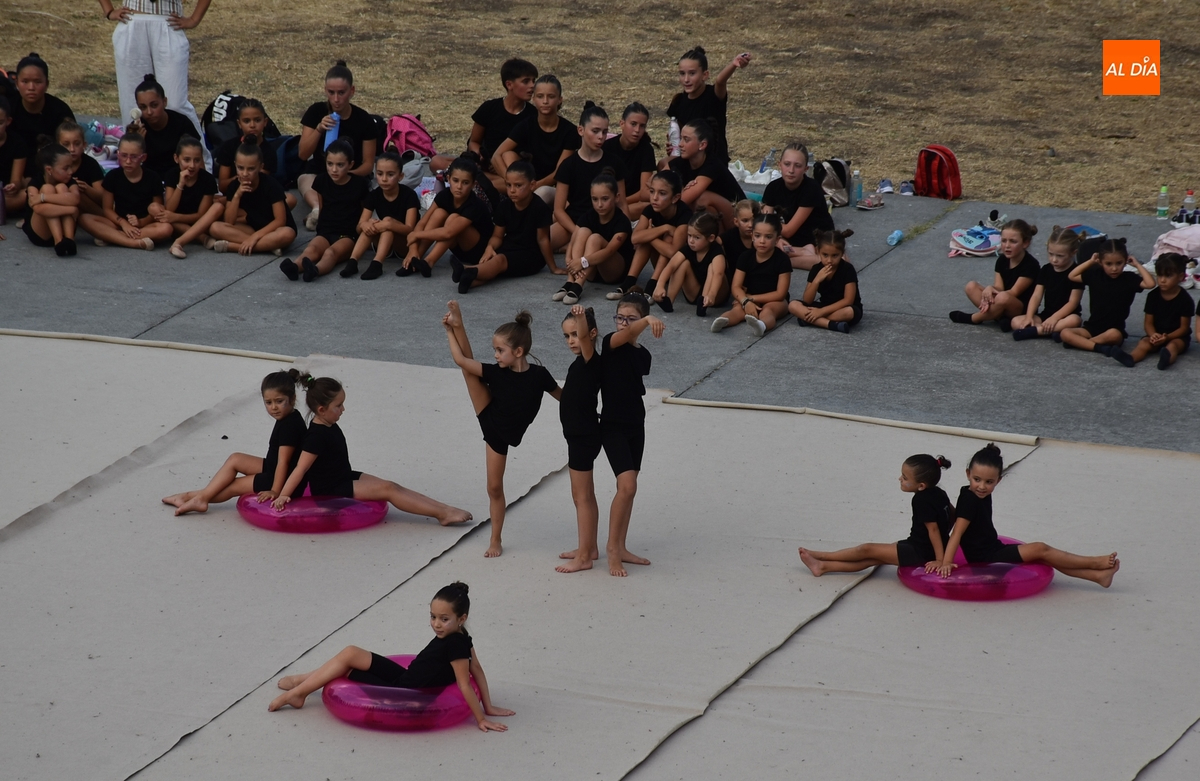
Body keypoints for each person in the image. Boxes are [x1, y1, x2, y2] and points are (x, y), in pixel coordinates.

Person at [269, 582, 514, 733]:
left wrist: (481, 717)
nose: (436, 624)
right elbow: (479, 669)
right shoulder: (462, 636)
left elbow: (465, 680)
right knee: (350, 652)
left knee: (345, 667)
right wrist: (489, 705)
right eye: (433, 617)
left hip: (403, 689)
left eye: (444, 619)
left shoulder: (456, 646)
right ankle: (302, 681)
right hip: (407, 676)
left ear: (462, 618)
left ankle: (298, 692)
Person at [272, 376, 473, 525]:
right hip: (331, 488)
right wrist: (283, 495)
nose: (343, 410)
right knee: (389, 490)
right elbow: (300, 469)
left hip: (342, 475)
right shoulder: (315, 437)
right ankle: (442, 514)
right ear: (322, 410)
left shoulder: (327, 423)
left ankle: (444, 508)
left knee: (392, 485)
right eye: (339, 406)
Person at [443, 303, 560, 557]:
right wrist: (449, 332)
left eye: (500, 350)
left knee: (469, 369)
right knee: (494, 488)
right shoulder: (497, 372)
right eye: (495, 350)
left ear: (518, 351)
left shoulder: (540, 376)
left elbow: (565, 397)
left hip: (510, 429)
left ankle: (458, 323)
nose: (496, 355)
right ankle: (495, 539)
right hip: (491, 420)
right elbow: (461, 360)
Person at [935, 444, 1120, 587]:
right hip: (986, 557)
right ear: (968, 474)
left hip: (992, 547)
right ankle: (1094, 562)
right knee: (1041, 549)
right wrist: (947, 562)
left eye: (989, 482)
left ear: (999, 480)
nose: (982, 486)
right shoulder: (970, 500)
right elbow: (957, 533)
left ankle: (1097, 576)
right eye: (977, 480)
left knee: (1042, 557)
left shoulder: (978, 493)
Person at [162, 370, 307, 515]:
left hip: (281, 479)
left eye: (279, 401)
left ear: (292, 399)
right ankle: (190, 497)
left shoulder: (290, 426)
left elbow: (284, 462)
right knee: (235, 458)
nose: (273, 407)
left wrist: (275, 490)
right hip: (273, 467)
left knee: (233, 486)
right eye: (268, 402)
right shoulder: (289, 416)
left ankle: (195, 498)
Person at [799, 454, 954, 575]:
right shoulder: (939, 493)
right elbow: (952, 513)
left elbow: (932, 530)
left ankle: (823, 556)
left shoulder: (921, 500)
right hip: (920, 546)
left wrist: (939, 560)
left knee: (866, 550)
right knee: (872, 558)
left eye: (905, 478)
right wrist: (946, 537)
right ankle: (822, 566)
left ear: (921, 486)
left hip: (921, 552)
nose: (900, 479)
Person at [99, 1, 210, 169]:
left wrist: (194, 19)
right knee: (133, 108)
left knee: (175, 103)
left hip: (168, 22)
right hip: (131, 20)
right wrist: (109, 11)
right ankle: (134, 169)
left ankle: (203, 170)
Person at [599, 294, 663, 576]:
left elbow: (634, 346)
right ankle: (612, 549)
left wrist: (643, 323)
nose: (623, 323)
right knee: (626, 486)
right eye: (619, 317)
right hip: (611, 425)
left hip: (636, 424)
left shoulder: (642, 355)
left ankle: (621, 545)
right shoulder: (609, 343)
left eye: (630, 318)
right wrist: (647, 320)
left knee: (630, 488)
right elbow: (623, 337)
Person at [430, 58, 538, 188]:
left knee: (510, 161)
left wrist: (499, 165)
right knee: (436, 161)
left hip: (509, 167)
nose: (532, 86)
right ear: (509, 85)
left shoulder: (532, 115)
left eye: (533, 81)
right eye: (526, 81)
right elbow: (474, 141)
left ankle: (474, 183)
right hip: (484, 166)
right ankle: (483, 182)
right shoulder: (489, 108)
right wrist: (480, 156)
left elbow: (531, 153)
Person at [177, 139, 296, 256]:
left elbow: (280, 220)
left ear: (260, 167)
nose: (244, 173)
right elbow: (229, 221)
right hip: (252, 227)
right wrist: (237, 195)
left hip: (273, 229)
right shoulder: (235, 185)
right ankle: (268, 246)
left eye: (251, 169)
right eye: (240, 168)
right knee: (215, 227)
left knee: (288, 234)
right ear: (235, 165)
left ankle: (235, 246)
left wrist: (255, 237)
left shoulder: (270, 184)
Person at [297, 61, 377, 231]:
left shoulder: (364, 120)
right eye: (331, 92)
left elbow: (368, 164)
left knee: (355, 187)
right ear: (325, 90)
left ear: (352, 91)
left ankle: (328, 212)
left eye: (341, 93)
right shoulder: (316, 112)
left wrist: (345, 173)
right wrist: (319, 129)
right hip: (320, 171)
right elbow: (303, 154)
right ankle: (318, 209)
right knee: (306, 179)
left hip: (350, 173)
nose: (336, 99)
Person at [455, 160, 557, 293]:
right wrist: (490, 247)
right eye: (508, 185)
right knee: (494, 259)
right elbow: (497, 236)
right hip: (509, 248)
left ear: (532, 185)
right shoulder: (504, 206)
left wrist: (553, 267)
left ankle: (466, 269)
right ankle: (469, 282)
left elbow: (543, 240)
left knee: (500, 261)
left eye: (518, 185)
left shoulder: (540, 208)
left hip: (531, 256)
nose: (512, 190)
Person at [556, 305, 604, 574]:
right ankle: (591, 547)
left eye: (576, 334)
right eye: (567, 336)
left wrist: (580, 317)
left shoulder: (590, 360)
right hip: (578, 435)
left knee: (581, 497)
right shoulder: (578, 364)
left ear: (590, 333)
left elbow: (586, 340)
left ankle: (585, 556)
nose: (572, 340)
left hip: (584, 436)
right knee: (586, 495)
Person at [280, 139, 370, 282]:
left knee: (331, 253)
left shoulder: (359, 184)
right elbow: (322, 207)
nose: (334, 169)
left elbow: (364, 211)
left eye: (340, 165)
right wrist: (320, 228)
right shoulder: (321, 181)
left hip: (347, 235)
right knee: (311, 249)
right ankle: (295, 267)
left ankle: (315, 270)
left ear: (350, 164)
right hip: (326, 230)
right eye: (330, 164)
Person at [550, 102, 628, 251]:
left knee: (599, 245)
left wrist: (624, 231)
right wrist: (577, 233)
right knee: (540, 243)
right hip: (575, 221)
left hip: (605, 220)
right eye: (595, 131)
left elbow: (622, 203)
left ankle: (573, 247)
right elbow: (559, 210)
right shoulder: (568, 164)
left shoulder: (614, 162)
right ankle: (570, 245)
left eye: (605, 132)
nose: (601, 137)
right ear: (581, 130)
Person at [1059, 239, 1155, 360]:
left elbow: (1150, 284)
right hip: (1092, 327)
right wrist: (1090, 261)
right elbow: (1072, 276)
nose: (1114, 268)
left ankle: (1082, 343)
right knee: (1065, 333)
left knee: (1114, 335)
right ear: (1100, 262)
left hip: (1113, 330)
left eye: (1119, 263)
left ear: (1126, 261)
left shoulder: (1129, 279)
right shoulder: (1096, 275)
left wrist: (1137, 264)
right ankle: (1099, 347)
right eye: (1108, 264)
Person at [398, 156, 493, 278]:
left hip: (476, 252)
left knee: (453, 218)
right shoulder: (444, 195)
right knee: (439, 213)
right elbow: (423, 222)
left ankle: (428, 262)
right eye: (455, 180)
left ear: (473, 184)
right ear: (448, 179)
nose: (459, 186)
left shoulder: (474, 205)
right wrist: (413, 249)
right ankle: (415, 259)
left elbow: (448, 233)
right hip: (456, 247)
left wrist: (416, 235)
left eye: (465, 183)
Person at [490, 74, 578, 202]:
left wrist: (534, 186)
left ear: (560, 99)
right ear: (533, 99)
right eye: (540, 96)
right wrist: (512, 182)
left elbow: (559, 172)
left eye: (551, 96)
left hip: (551, 186)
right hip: (527, 181)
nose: (545, 101)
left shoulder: (569, 131)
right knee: (507, 156)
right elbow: (496, 155)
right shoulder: (526, 125)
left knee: (540, 194)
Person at [79, 132, 173, 250]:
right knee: (84, 219)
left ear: (143, 157)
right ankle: (134, 243)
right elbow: (107, 209)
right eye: (124, 156)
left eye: (134, 157)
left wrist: (140, 222)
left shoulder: (153, 178)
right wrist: (123, 223)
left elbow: (156, 211)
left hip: (144, 225)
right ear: (118, 154)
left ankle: (112, 237)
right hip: (118, 223)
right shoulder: (112, 176)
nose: (128, 161)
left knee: (166, 229)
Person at [554, 175, 634, 305]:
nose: (599, 204)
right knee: (582, 231)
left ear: (617, 197)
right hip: (590, 271)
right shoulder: (588, 215)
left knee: (595, 238)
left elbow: (609, 251)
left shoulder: (622, 221)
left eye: (605, 199)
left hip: (613, 272)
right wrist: (569, 260)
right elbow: (574, 239)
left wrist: (582, 262)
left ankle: (578, 285)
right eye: (595, 199)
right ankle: (570, 282)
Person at [665, 47, 750, 166]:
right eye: (682, 73)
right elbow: (678, 134)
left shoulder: (713, 96)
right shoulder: (679, 101)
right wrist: (674, 145)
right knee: (663, 164)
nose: (686, 79)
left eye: (692, 73)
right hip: (690, 159)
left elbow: (720, 81)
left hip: (713, 160)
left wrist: (734, 64)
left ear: (705, 75)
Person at [341, 151, 420, 280]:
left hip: (405, 245)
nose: (384, 179)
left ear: (400, 176)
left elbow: (410, 229)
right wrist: (366, 224)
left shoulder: (409, 195)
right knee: (371, 223)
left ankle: (377, 264)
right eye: (379, 174)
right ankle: (353, 262)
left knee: (387, 222)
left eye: (390, 174)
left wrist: (389, 224)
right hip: (384, 244)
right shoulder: (374, 195)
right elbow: (359, 227)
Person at [710, 213, 791, 336]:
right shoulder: (745, 257)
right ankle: (723, 320)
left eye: (768, 237)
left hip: (775, 300)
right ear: (752, 235)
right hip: (749, 297)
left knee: (768, 311)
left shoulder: (782, 260)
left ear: (777, 239)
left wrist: (751, 299)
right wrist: (745, 301)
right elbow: (736, 286)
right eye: (758, 236)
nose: (762, 241)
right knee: (737, 310)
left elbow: (780, 294)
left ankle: (762, 325)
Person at [615, 170, 692, 300]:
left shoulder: (684, 214)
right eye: (652, 191)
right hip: (661, 259)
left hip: (676, 269)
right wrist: (664, 228)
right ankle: (629, 282)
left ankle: (652, 285)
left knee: (666, 238)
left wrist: (651, 234)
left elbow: (672, 252)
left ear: (675, 198)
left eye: (662, 193)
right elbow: (635, 238)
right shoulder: (650, 209)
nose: (654, 197)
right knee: (649, 238)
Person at [950, 220, 1040, 328]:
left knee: (1003, 297)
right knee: (971, 286)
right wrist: (990, 288)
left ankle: (974, 318)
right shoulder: (1002, 260)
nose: (1007, 246)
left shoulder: (1031, 265)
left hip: (1020, 308)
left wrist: (993, 293)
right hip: (1001, 300)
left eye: (1013, 241)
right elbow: (999, 287)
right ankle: (1001, 318)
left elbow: (1013, 292)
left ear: (1025, 243)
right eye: (1003, 241)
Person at [761, 142, 834, 270]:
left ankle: (786, 261)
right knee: (758, 242)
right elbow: (763, 224)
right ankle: (798, 254)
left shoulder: (811, 189)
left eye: (798, 166)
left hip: (815, 239)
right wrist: (776, 240)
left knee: (833, 261)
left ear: (806, 169)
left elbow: (789, 230)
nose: (791, 170)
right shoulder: (773, 187)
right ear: (779, 165)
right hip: (787, 242)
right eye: (787, 164)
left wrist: (771, 233)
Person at [213, 97, 296, 210]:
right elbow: (223, 186)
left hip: (258, 199)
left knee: (290, 199)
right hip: (234, 196)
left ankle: (247, 219)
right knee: (213, 202)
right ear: (239, 123)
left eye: (257, 120)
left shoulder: (268, 151)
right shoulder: (229, 146)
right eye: (246, 121)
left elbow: (257, 184)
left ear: (265, 122)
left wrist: (243, 178)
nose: (252, 125)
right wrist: (241, 179)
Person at [1120, 253, 1194, 369]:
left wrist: (1167, 337)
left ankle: (1166, 359)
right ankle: (1131, 358)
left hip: (1176, 337)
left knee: (1173, 346)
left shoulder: (1185, 300)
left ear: (1180, 277)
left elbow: (1184, 328)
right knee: (1144, 343)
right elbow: (1148, 323)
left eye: (1168, 276)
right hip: (1155, 334)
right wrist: (1153, 335)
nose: (1162, 280)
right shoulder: (1153, 296)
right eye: (1160, 275)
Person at [1011, 226, 1085, 341]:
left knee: (1074, 320)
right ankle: (1052, 332)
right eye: (1051, 254)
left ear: (1073, 253)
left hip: (1065, 316)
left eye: (1060, 256)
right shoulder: (1046, 270)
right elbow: (1036, 295)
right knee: (1015, 321)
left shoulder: (1076, 273)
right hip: (1046, 315)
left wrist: (1054, 318)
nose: (1054, 259)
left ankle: (1036, 331)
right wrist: (1029, 317)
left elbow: (1073, 303)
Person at [668, 120, 744, 231]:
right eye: (680, 138)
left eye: (686, 139)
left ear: (702, 145)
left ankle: (719, 245)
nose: (680, 144)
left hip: (738, 215)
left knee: (701, 201)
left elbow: (683, 200)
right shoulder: (682, 162)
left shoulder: (712, 165)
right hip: (716, 212)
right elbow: (655, 184)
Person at [152, 136, 218, 257]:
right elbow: (170, 208)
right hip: (175, 224)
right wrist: (181, 184)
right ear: (176, 158)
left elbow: (201, 215)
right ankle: (202, 238)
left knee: (217, 207)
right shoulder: (172, 175)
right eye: (187, 160)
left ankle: (186, 239)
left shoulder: (208, 180)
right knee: (154, 207)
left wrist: (176, 217)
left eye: (197, 160)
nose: (192, 165)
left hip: (196, 223)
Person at [653, 211, 728, 316]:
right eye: (689, 236)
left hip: (716, 295)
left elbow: (718, 274)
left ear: (711, 238)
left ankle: (703, 304)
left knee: (712, 268)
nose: (691, 241)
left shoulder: (716, 251)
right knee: (682, 264)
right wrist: (659, 285)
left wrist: (711, 295)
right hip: (694, 292)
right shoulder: (689, 248)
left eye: (697, 237)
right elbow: (671, 265)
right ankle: (669, 300)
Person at [788, 229, 863, 334]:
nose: (829, 260)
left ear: (842, 253)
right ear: (818, 251)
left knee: (848, 312)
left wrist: (820, 312)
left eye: (835, 255)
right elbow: (807, 300)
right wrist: (817, 280)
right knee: (793, 305)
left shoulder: (847, 269)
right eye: (825, 255)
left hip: (843, 308)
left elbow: (848, 300)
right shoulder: (816, 269)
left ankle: (810, 319)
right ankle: (831, 324)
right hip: (825, 305)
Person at [128, 73, 202, 178]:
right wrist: (137, 144)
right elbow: (128, 168)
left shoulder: (181, 124)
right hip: (149, 181)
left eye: (154, 105)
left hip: (180, 179)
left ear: (164, 102)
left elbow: (198, 163)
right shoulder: (137, 128)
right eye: (143, 107)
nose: (149, 112)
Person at [34, 121, 107, 216]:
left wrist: (86, 188)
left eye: (77, 144)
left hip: (88, 211)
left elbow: (103, 198)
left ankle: (105, 217)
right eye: (66, 144)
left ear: (84, 145)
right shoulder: (50, 163)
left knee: (76, 192)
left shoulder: (90, 164)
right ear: (57, 145)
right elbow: (36, 188)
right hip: (57, 208)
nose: (72, 149)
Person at [8, 53, 76, 154]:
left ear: (46, 84)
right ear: (17, 83)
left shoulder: (60, 111)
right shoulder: (8, 108)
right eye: (25, 81)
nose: (31, 87)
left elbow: (72, 149)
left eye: (37, 82)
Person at [22, 143, 80, 255]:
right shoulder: (35, 183)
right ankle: (59, 242)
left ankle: (69, 240)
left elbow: (75, 199)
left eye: (71, 166)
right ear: (49, 169)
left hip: (65, 231)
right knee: (47, 188)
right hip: (40, 234)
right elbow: (39, 209)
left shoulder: (69, 182)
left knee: (61, 187)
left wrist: (43, 197)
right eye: (65, 168)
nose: (71, 171)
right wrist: (71, 210)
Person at [602, 103, 656, 220]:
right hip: (604, 201)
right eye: (633, 124)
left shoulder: (646, 149)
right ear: (622, 124)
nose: (637, 130)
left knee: (647, 207)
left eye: (642, 126)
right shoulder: (607, 147)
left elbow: (644, 191)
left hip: (631, 202)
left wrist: (622, 202)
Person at [0, 97, 30, 218]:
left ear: (8, 121)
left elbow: (16, 179)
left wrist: (13, 186)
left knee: (32, 193)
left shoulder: (17, 143)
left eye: (0, 123)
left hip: (5, 195)